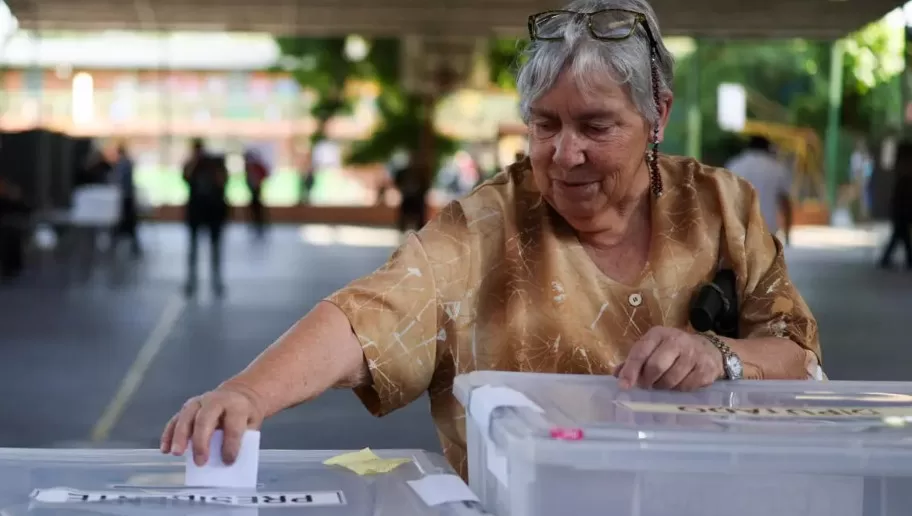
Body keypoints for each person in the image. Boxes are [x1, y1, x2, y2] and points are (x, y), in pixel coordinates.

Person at [161, 0, 822, 480]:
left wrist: (719, 355)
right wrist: (248, 394)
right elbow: (366, 318)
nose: (565, 154)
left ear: (659, 115)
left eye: (596, 127)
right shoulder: (485, 227)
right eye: (545, 125)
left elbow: (798, 356)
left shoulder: (721, 209)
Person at [726, 136, 793, 246]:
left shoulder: (734, 166)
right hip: (767, 230)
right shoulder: (777, 169)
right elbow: (785, 204)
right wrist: (788, 235)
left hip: (739, 229)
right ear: (767, 148)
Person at [183, 138, 228, 297]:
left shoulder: (214, 164)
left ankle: (216, 280)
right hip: (197, 211)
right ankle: (192, 280)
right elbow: (185, 178)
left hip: (212, 212)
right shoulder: (192, 165)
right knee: (194, 249)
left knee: (214, 248)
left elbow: (223, 181)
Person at [879, 142, 912, 270]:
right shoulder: (905, 179)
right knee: (900, 235)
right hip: (901, 211)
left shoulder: (903, 177)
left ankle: (889, 259)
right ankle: (906, 259)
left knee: (900, 235)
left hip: (901, 211)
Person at [112, 142, 142, 257]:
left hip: (125, 197)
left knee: (126, 222)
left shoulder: (123, 163)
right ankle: (134, 246)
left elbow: (119, 180)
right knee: (129, 224)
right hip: (127, 196)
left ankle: (132, 246)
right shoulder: (127, 162)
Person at [243, 148, 269, 238]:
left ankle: (259, 225)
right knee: (254, 209)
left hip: (257, 190)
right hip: (253, 191)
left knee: (258, 210)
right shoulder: (249, 167)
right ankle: (255, 225)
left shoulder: (256, 166)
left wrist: (259, 182)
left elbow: (264, 174)